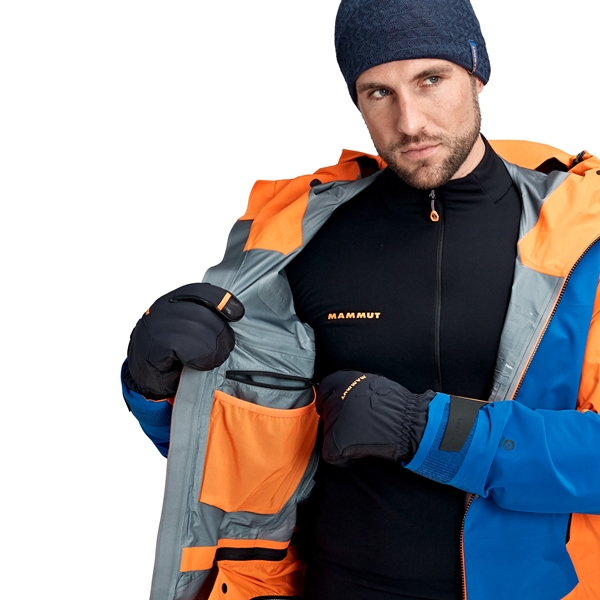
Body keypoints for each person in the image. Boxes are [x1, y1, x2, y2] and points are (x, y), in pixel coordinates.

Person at [121, 1, 600, 598]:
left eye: (431, 80)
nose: (410, 122)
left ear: (477, 74)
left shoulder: (585, 242)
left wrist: (424, 430)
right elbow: (239, 460)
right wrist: (163, 389)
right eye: (379, 92)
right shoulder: (299, 240)